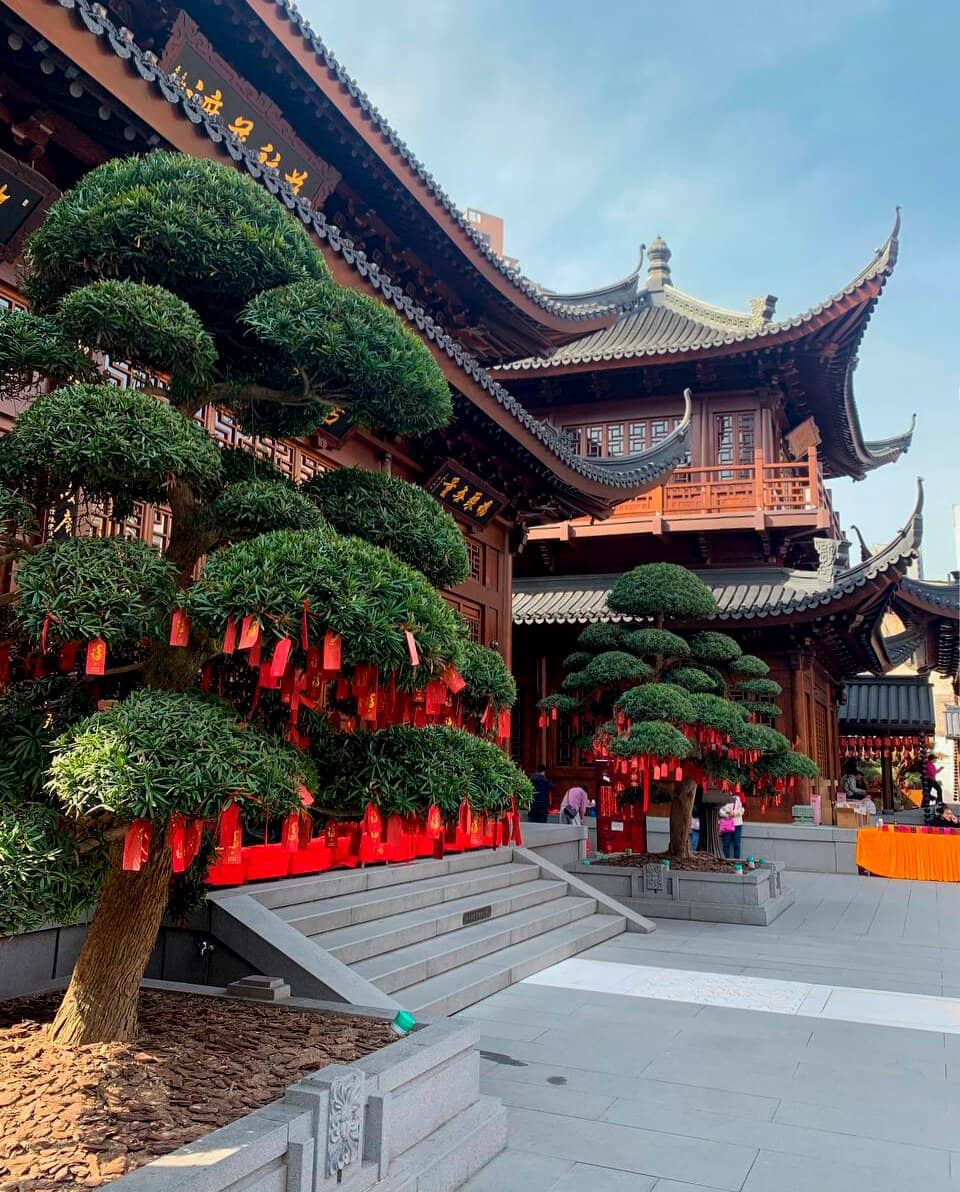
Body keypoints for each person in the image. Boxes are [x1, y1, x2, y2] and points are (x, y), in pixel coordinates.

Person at [719, 793, 745, 860]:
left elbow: (742, 810)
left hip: (737, 824)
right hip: (726, 824)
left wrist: (734, 813)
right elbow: (720, 811)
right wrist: (728, 814)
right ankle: (726, 860)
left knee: (737, 844)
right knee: (726, 844)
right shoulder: (723, 796)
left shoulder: (737, 798)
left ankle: (737, 861)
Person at [691, 784, 704, 852]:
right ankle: (695, 851)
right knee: (696, 838)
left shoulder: (694, 801)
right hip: (698, 821)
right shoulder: (699, 802)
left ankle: (695, 851)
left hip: (696, 821)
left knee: (695, 838)